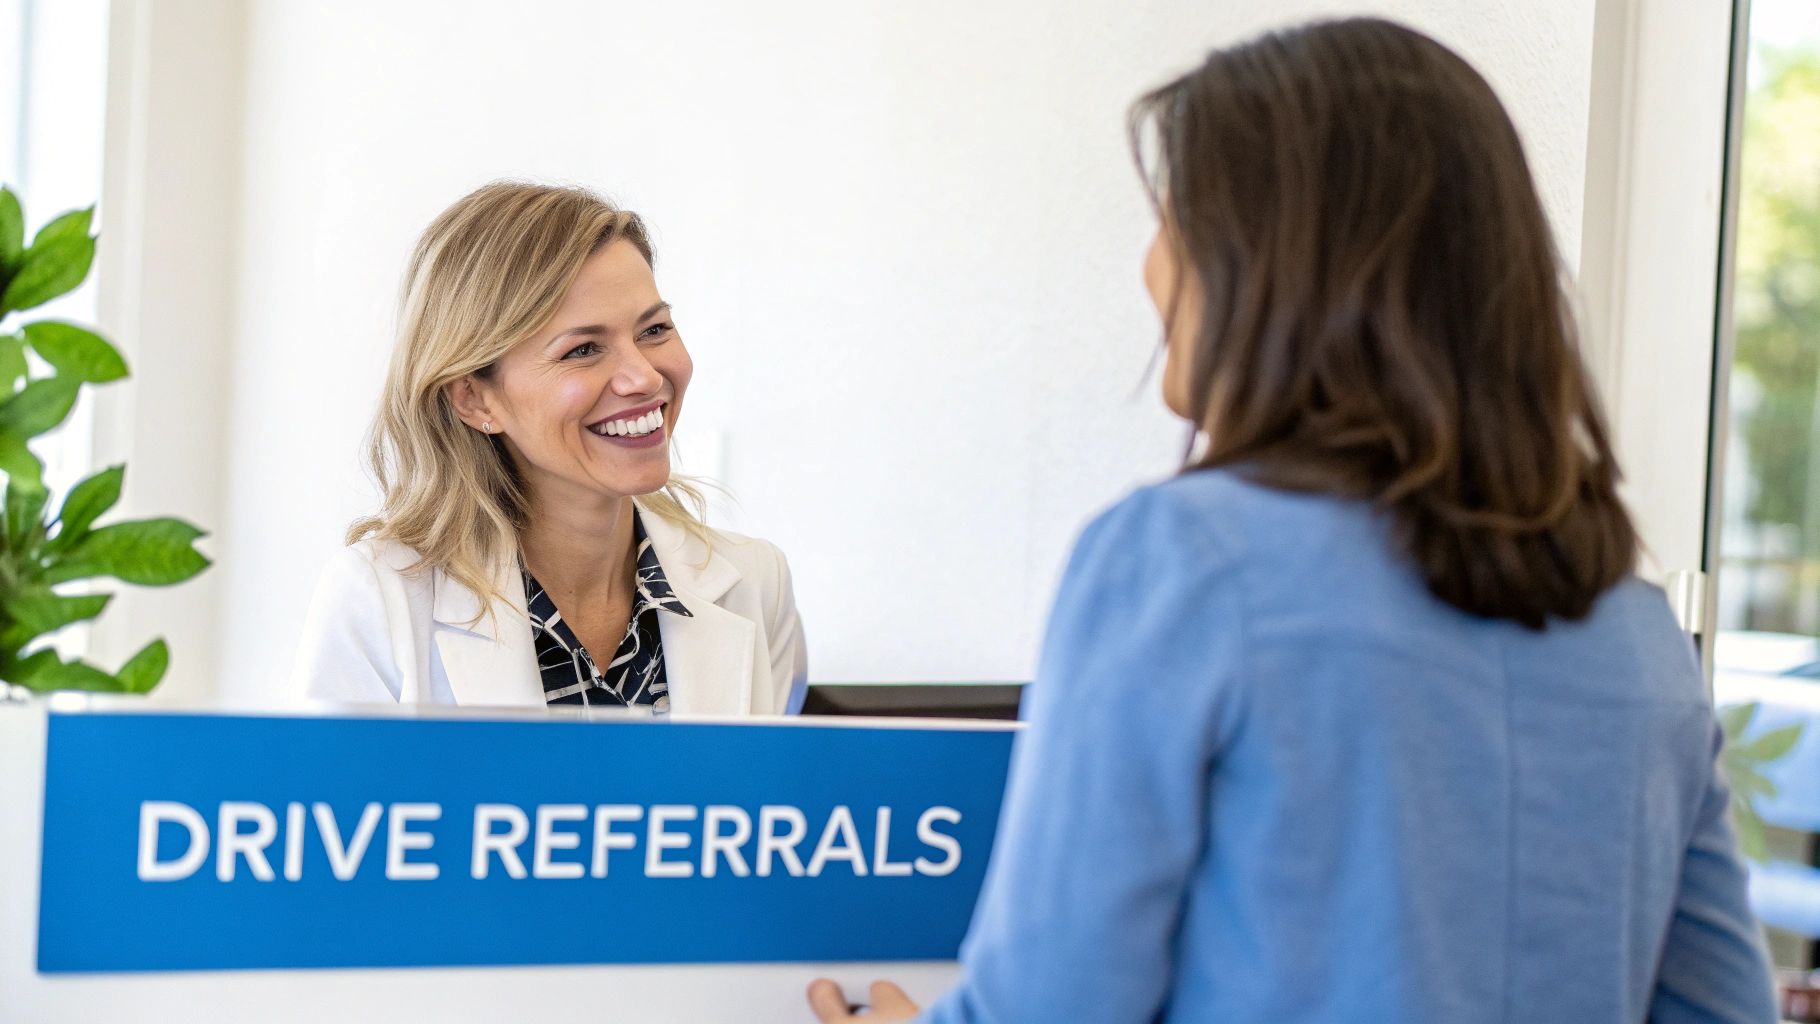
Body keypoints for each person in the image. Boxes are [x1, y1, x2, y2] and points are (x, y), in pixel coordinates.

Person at [809, 17, 1777, 1023]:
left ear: (1270, 261)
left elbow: (1051, 1005)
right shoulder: (1631, 630)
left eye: (1173, 217)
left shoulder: (1179, 562)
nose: (1149, 265)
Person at [292, 181, 806, 716]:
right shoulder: (377, 599)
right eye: (583, 349)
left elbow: (765, 798)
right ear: (474, 397)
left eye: (654, 329)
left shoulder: (756, 584)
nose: (645, 376)